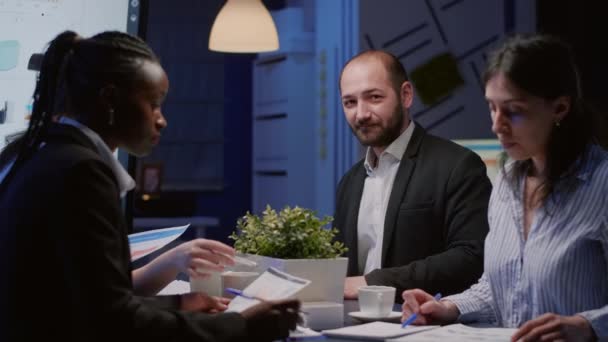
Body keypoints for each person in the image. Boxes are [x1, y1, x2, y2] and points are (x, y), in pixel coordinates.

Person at [0, 30, 299, 342]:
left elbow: (78, 302)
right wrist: (241, 327)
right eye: (154, 103)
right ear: (110, 99)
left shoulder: (33, 152)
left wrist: (176, 304)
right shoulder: (82, 171)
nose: (162, 120)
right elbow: (114, 323)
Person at [401, 34, 607, 341]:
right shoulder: (507, 181)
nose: (497, 125)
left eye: (513, 111)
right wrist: (447, 307)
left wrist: (588, 325)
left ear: (560, 108)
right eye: (492, 108)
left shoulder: (600, 183)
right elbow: (499, 288)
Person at [335, 50, 492, 301]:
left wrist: (372, 283)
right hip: (354, 329)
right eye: (349, 102)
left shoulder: (458, 165)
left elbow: (472, 257)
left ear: (406, 95)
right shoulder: (349, 183)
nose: (361, 114)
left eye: (374, 97)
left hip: (427, 328)